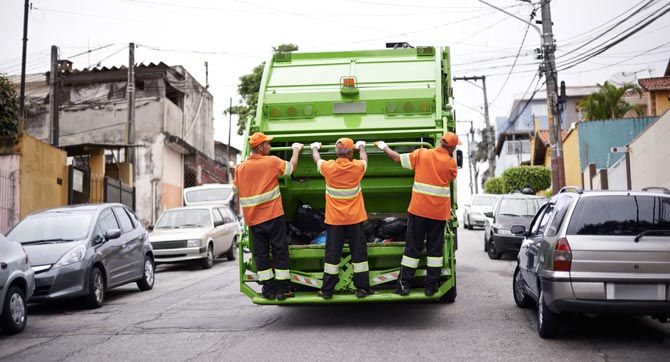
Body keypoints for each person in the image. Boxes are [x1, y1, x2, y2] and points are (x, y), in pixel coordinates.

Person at [374, 132, 460, 296]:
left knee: (413, 248)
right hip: (438, 214)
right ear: (451, 147)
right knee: (435, 250)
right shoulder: (450, 163)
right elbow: (451, 177)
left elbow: (396, 158)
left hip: (419, 210)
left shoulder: (422, 154)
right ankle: (431, 287)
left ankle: (403, 286)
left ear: (441, 142)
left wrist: (383, 146)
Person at [233, 132, 303, 300]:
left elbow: (236, 189)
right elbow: (290, 168)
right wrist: (296, 150)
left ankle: (268, 290)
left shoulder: (240, 167)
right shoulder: (271, 162)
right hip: (272, 215)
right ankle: (283, 289)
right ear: (260, 147)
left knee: (261, 253)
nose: (270, 147)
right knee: (280, 251)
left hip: (253, 219)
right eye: (267, 144)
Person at [310, 138, 374, 299]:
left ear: (336, 152)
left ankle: (327, 290)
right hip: (355, 219)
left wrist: (314, 148)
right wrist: (362, 147)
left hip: (335, 220)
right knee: (359, 254)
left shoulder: (329, 167)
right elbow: (365, 161)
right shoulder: (357, 167)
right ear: (351, 152)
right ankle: (362, 288)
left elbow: (317, 160)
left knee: (332, 255)